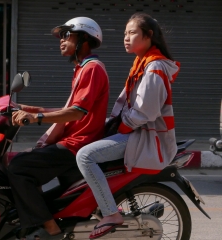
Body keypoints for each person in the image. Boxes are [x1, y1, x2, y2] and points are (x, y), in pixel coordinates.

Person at [76, 12, 180, 239]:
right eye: (125, 33)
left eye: (132, 33)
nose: (126, 37)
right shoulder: (141, 63)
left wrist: (119, 127)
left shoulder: (154, 68)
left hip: (144, 136)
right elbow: (125, 106)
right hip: (136, 130)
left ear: (149, 36)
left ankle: (111, 213)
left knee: (85, 156)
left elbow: (144, 112)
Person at [7, 17, 109, 238]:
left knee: (18, 166)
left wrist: (36, 118)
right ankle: (45, 217)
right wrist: (30, 108)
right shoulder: (82, 69)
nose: (61, 41)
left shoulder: (91, 69)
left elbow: (76, 112)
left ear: (83, 38)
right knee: (27, 161)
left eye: (66, 35)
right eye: (60, 37)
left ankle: (50, 229)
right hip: (74, 141)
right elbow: (72, 109)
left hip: (78, 145)